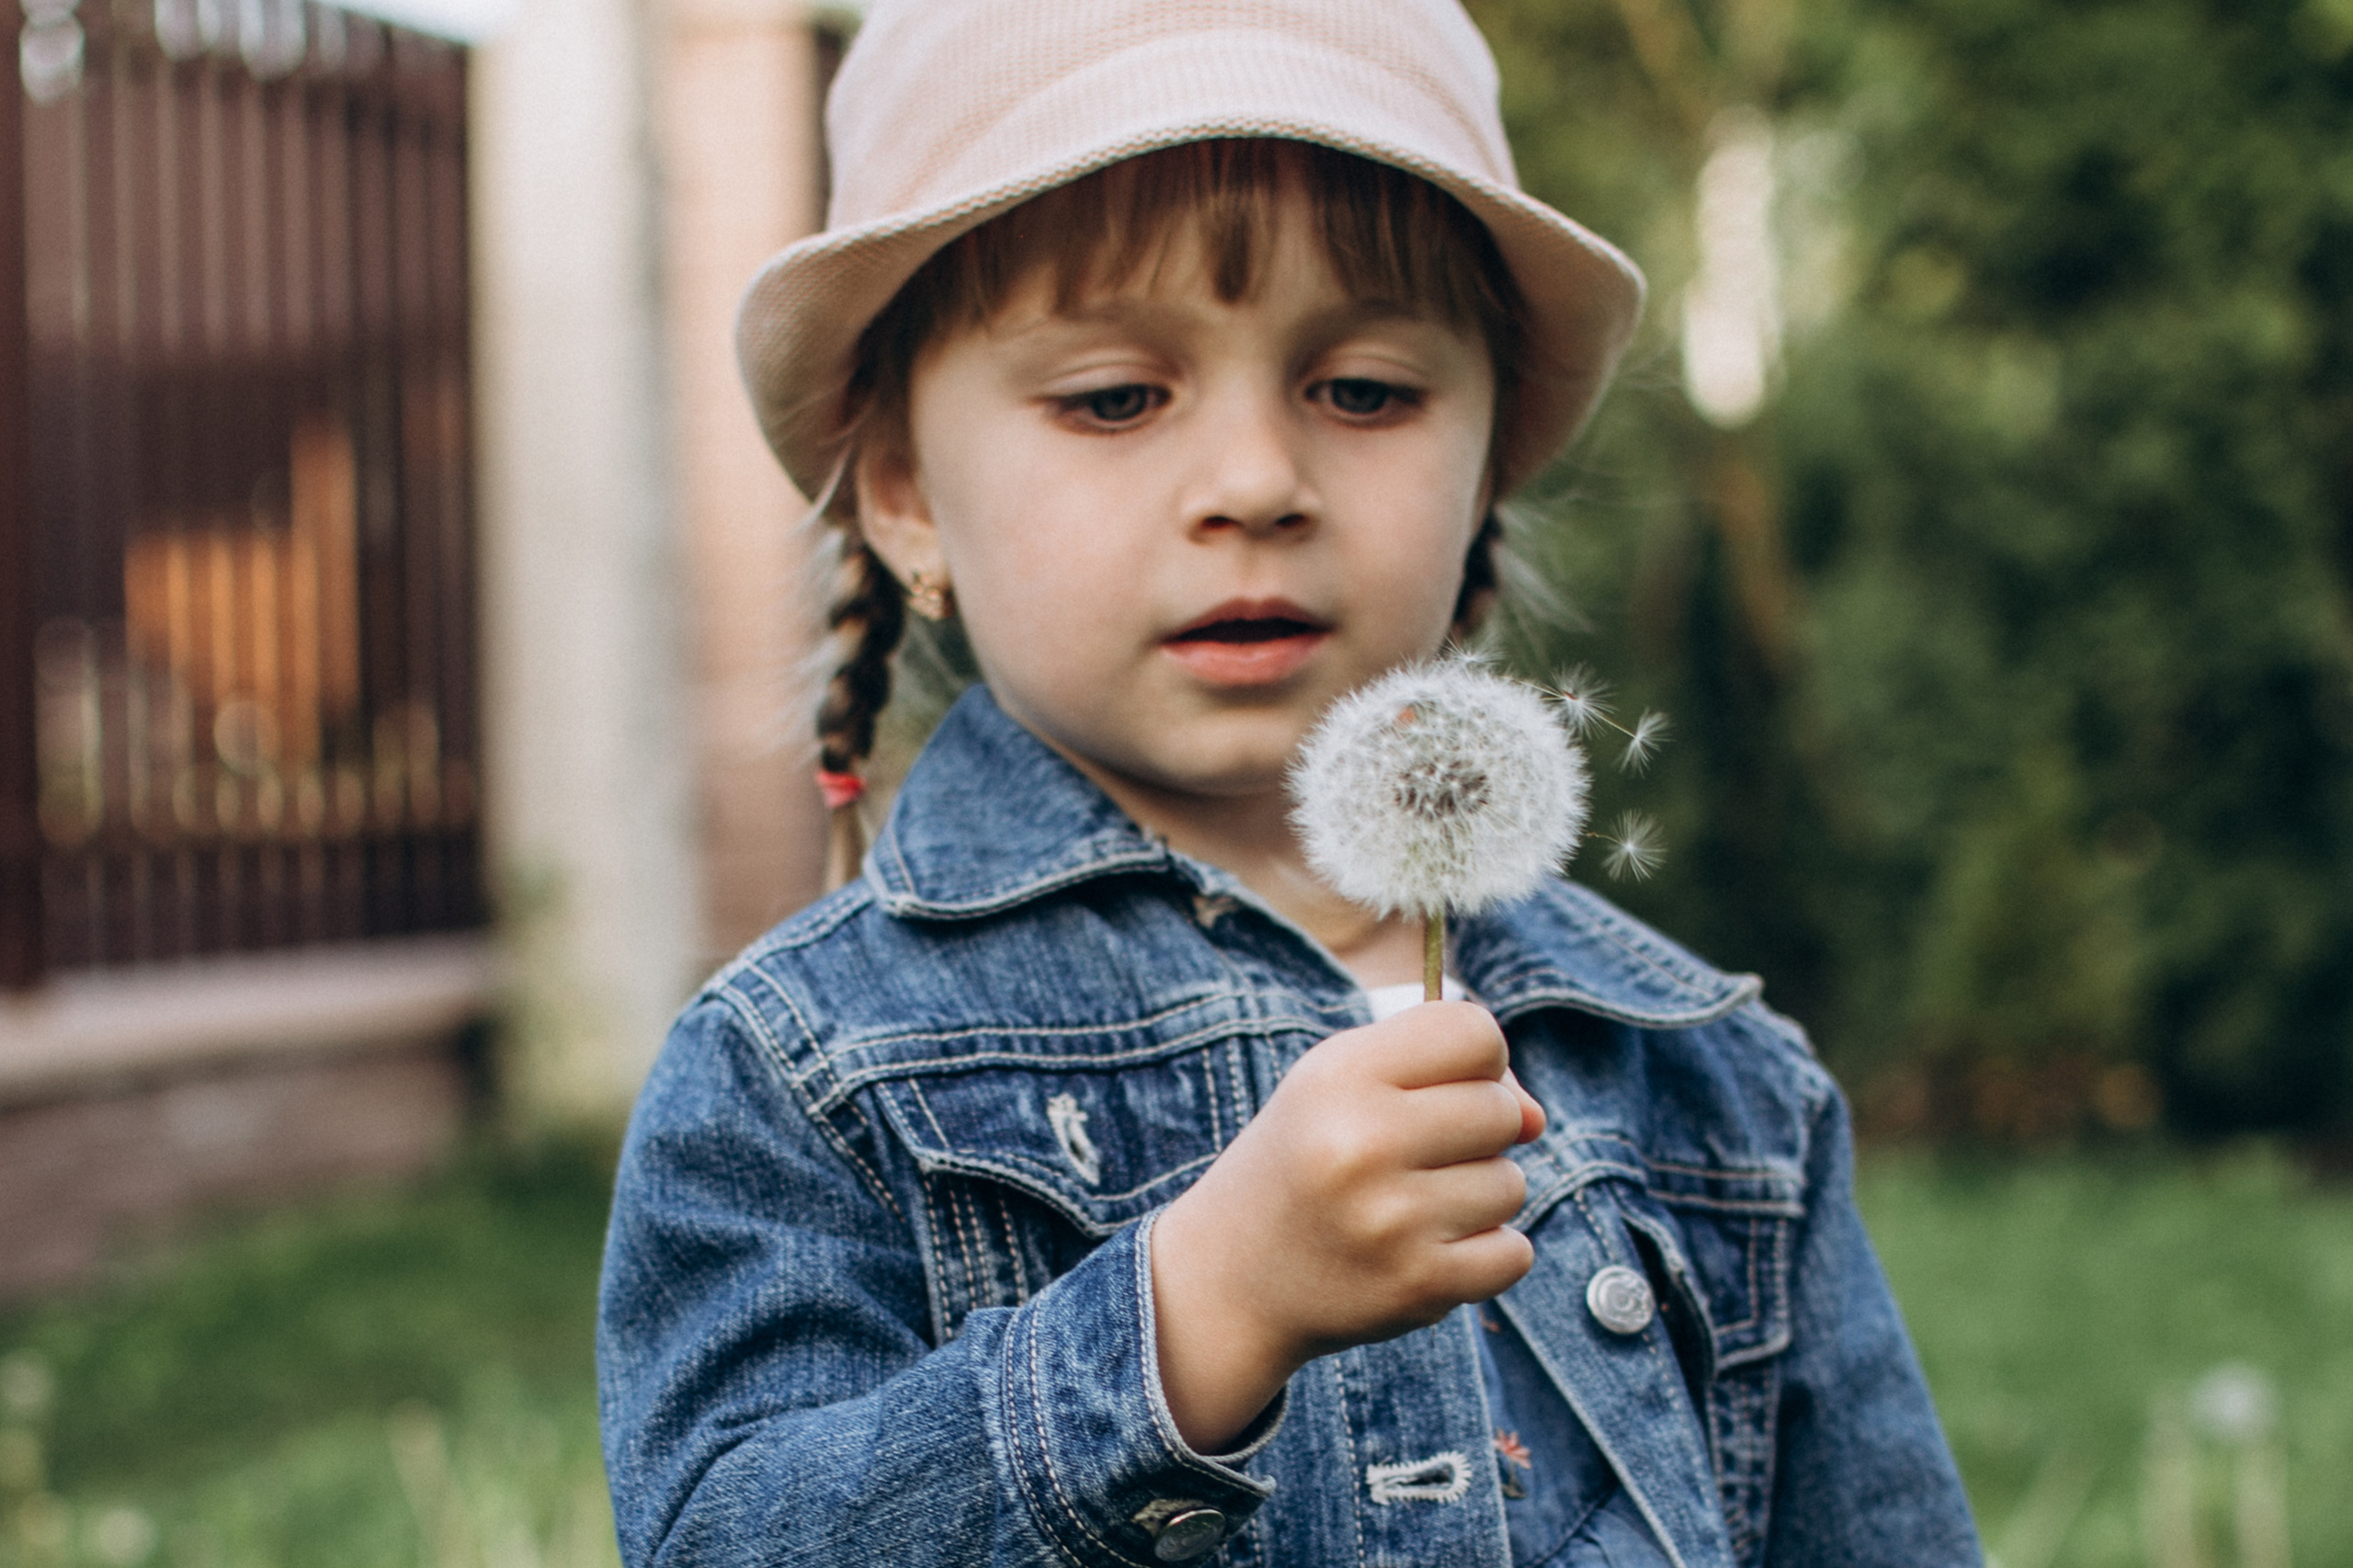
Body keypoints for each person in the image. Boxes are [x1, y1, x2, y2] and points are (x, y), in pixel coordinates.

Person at [597, 3, 1984, 1565]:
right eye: (1117, 397)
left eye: (1367, 391)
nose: (1257, 481)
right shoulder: (803, 1077)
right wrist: (1196, 1314)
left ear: (1486, 463)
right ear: (908, 492)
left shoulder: (1712, 1079)